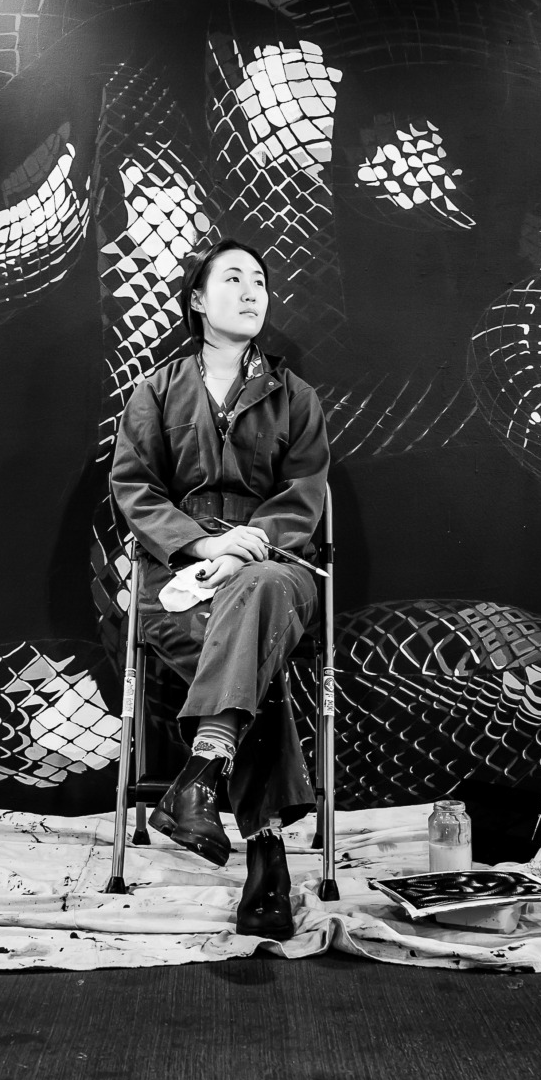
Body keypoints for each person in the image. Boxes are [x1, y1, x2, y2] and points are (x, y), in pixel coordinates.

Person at [109, 237, 330, 940]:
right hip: (183, 575)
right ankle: (265, 851)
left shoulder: (295, 397)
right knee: (258, 656)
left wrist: (249, 546)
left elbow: (304, 493)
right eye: (232, 279)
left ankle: (202, 774)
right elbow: (133, 488)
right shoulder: (156, 392)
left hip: (276, 565)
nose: (251, 290)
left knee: (261, 592)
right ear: (198, 301)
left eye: (259, 280)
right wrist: (206, 546)